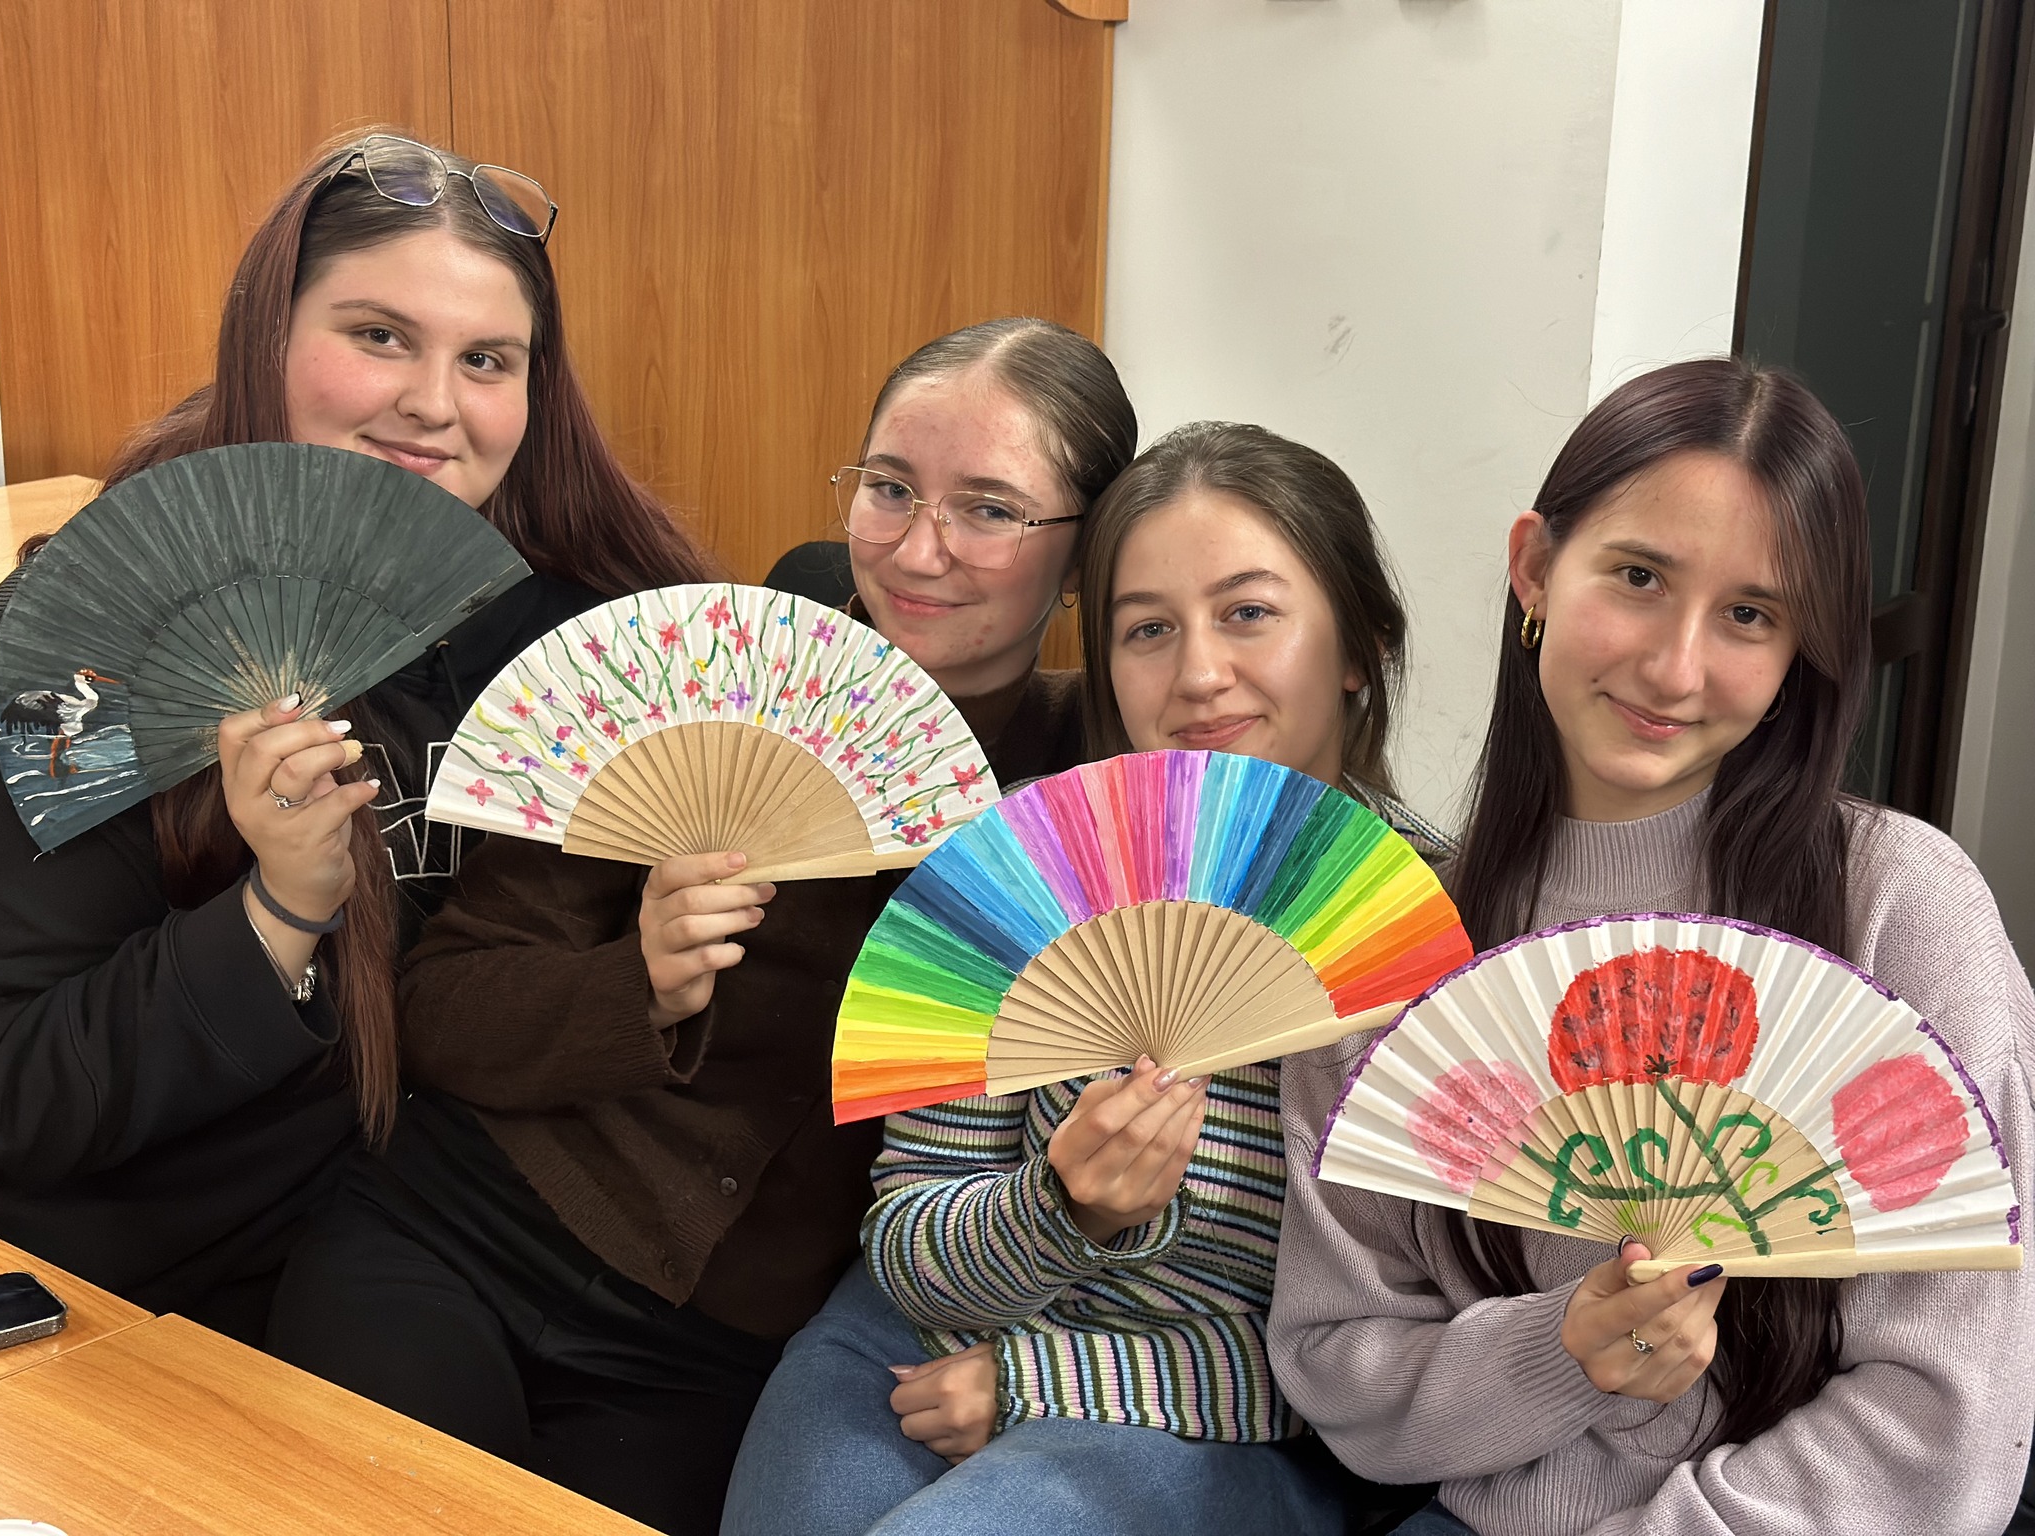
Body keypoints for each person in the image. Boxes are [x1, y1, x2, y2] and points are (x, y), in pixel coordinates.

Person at [263, 318, 1136, 1535]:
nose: (918, 548)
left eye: (989, 509)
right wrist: (639, 985)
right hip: (458, 1232)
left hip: (709, 1352)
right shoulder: (708, 676)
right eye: (888, 489)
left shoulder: (1098, 791)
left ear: (1083, 555)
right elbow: (441, 1005)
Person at [1267, 358, 2035, 1536]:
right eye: (1636, 577)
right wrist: (1560, 1351)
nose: (1674, 668)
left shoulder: (1899, 906)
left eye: (1748, 615)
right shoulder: (1399, 940)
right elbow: (1342, 1368)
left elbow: (1947, 1429)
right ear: (1532, 567)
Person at [0, 129, 711, 1345]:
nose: (433, 402)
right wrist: (278, 912)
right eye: (378, 335)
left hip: (462, 1259)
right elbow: (15, 1099)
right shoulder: (90, 652)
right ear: (265, 340)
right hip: (138, 1304)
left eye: (486, 359)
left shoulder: (589, 627)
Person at [720, 422, 1447, 1536]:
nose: (1198, 674)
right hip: (928, 1326)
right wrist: (1063, 1208)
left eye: (1249, 614)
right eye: (1147, 628)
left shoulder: (1432, 928)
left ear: (1358, 645)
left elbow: (1392, 1359)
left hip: (1222, 1412)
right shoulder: (1024, 859)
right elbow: (909, 1242)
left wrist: (1048, 1381)